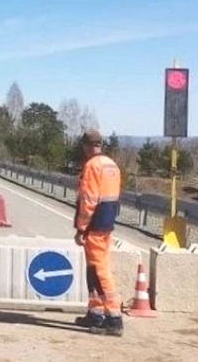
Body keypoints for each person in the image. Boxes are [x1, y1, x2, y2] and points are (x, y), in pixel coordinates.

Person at [73, 129, 124, 336]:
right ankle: (95, 313)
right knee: (94, 269)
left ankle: (113, 318)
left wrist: (81, 227)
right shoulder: (112, 165)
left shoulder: (92, 165)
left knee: (99, 271)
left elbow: (88, 201)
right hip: (107, 222)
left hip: (94, 225)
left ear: (86, 146)